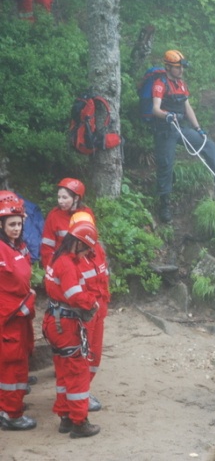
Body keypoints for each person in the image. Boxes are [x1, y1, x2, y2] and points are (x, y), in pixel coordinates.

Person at [151, 49, 215, 223]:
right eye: (178, 68)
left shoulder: (181, 84)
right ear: (168, 67)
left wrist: (198, 128)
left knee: (207, 144)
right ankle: (165, 204)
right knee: (166, 166)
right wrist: (167, 115)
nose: (181, 71)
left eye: (182, 68)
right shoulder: (160, 83)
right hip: (165, 130)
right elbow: (155, 109)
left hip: (181, 128)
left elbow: (188, 107)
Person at [42, 221, 101, 438]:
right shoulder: (66, 264)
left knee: (64, 371)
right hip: (65, 324)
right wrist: (92, 302)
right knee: (77, 372)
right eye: (86, 248)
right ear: (77, 243)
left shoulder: (57, 258)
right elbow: (75, 296)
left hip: (54, 321)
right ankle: (79, 422)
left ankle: (65, 416)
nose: (86, 253)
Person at [0, 191, 37, 430]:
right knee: (12, 366)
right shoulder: (3, 251)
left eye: (19, 223)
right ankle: (11, 415)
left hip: (18, 317)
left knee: (16, 362)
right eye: (11, 224)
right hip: (9, 319)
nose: (16, 228)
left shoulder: (16, 246)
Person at [69, 211, 110, 413]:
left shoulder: (98, 251)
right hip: (83, 314)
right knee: (82, 357)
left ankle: (85, 390)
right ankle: (79, 395)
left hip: (98, 311)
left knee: (94, 355)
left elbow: (104, 280)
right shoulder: (71, 259)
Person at [40, 178, 96, 269]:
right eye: (59, 197)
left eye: (64, 197)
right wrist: (51, 268)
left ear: (76, 198)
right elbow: (47, 247)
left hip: (83, 265)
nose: (60, 201)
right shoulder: (54, 215)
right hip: (61, 266)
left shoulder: (87, 214)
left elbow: (92, 244)